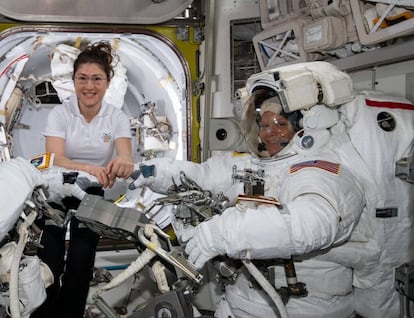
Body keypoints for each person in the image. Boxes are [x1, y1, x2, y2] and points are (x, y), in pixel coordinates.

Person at [129, 63, 378, 317]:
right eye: (263, 124)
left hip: (301, 309)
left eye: (279, 124)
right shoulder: (255, 163)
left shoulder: (323, 170)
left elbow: (312, 224)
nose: (268, 134)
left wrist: (223, 233)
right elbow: (203, 175)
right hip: (240, 302)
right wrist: (154, 172)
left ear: (308, 125)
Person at [31, 41, 134, 318]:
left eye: (96, 79)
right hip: (57, 186)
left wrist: (124, 162)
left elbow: (125, 154)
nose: (89, 86)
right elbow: (55, 158)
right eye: (82, 78)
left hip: (92, 193)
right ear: (74, 80)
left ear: (108, 82)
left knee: (80, 261)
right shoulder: (60, 113)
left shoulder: (117, 118)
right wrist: (90, 167)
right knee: (49, 261)